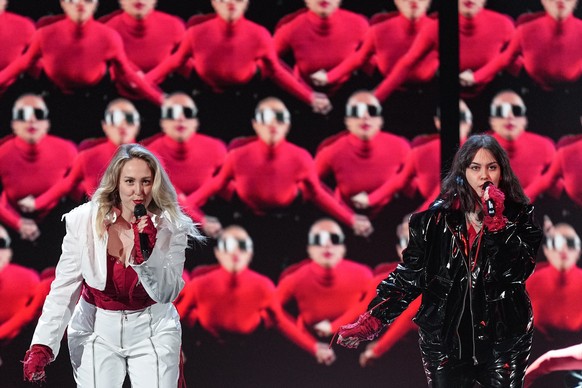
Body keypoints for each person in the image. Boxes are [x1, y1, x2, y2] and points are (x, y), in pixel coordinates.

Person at [336, 134, 543, 387]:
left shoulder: (519, 218)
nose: (484, 176)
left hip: (503, 338)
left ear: (502, 172)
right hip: (444, 339)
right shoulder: (432, 222)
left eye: (492, 167)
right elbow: (410, 275)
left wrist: (498, 225)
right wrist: (373, 319)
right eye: (475, 168)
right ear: (463, 172)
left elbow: (517, 271)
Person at [21, 144, 200, 386]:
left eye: (146, 181)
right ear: (116, 182)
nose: (139, 191)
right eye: (129, 181)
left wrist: (146, 254)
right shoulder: (83, 220)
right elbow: (64, 287)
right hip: (96, 329)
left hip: (153, 328)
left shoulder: (171, 226)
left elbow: (166, 292)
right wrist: (42, 345)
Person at [186, 96, 372, 279]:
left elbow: (319, 193)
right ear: (255, 124)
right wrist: (190, 212)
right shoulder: (237, 157)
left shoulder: (300, 157)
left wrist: (351, 219)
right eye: (266, 118)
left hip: (287, 227)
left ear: (287, 125)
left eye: (280, 118)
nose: (273, 124)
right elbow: (213, 186)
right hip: (247, 224)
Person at [175, 225, 335, 386]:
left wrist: (314, 347)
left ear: (249, 254)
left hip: (248, 358)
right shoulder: (199, 285)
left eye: (242, 246)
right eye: (229, 246)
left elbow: (282, 322)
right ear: (218, 253)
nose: (235, 252)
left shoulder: (262, 286)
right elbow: (174, 319)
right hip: (207, 358)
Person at [0, 0, 163, 142]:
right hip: (55, 104)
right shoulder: (44, 35)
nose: (80, 4)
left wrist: (161, 100)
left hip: (95, 105)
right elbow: (22, 64)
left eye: (87, 0)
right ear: (63, 4)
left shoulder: (109, 37)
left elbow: (127, 74)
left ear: (95, 4)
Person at [314, 90, 411, 265]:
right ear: (347, 121)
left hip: (389, 220)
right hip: (344, 225)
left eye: (372, 111)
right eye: (357, 111)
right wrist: (349, 217)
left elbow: (413, 180)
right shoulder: (332, 151)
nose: (365, 117)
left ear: (380, 120)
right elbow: (311, 185)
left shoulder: (400, 147)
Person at [275, 218, 373, 385]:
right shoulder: (295, 279)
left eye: (334, 239)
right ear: (309, 249)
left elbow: (372, 304)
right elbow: (273, 311)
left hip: (354, 353)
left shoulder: (363, 274)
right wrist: (312, 346)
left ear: (343, 248)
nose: (327, 245)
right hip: (306, 358)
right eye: (319, 240)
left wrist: (334, 327)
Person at [17, 98, 142, 215]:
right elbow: (66, 184)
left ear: (137, 124)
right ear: (105, 125)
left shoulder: (151, 157)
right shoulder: (87, 158)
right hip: (101, 226)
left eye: (129, 118)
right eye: (115, 118)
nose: (123, 124)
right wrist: (36, 203)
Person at [350, 99, 473, 214]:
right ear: (438, 122)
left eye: (462, 117)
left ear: (469, 122)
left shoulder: (478, 153)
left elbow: (444, 192)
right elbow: (399, 180)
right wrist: (370, 199)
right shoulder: (419, 153)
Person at [0, 93, 78, 270]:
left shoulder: (67, 150)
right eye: (23, 114)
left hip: (56, 225)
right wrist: (17, 222)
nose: (31, 120)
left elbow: (77, 186)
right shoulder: (2, 153)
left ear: (47, 124)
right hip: (11, 228)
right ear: (14, 124)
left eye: (38, 114)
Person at [144, 92, 227, 239]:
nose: (180, 118)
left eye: (187, 113)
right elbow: (169, 193)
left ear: (196, 122)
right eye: (172, 113)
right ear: (163, 122)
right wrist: (201, 220)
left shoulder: (216, 149)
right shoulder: (150, 153)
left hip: (210, 233)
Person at [525, 219, 582, 387]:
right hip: (535, 364)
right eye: (556, 244)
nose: (563, 250)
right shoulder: (532, 282)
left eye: (570, 244)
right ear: (547, 250)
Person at [273, 0, 368, 91]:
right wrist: (306, 94)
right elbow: (266, 61)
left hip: (349, 93)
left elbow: (369, 55)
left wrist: (331, 76)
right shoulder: (292, 28)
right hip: (301, 96)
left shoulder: (359, 24)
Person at [487, 90, 555, 194]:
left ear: (525, 120)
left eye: (517, 111)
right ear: (492, 120)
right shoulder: (475, 148)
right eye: (501, 111)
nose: (509, 116)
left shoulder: (545, 147)